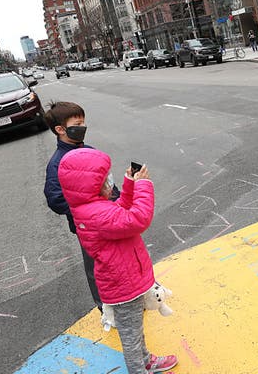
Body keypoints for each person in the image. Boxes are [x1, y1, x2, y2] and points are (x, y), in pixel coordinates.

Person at [58, 149, 178, 374]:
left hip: (123, 280)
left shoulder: (91, 208)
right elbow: (137, 219)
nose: (109, 182)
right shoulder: (96, 214)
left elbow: (119, 211)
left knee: (134, 330)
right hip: (124, 284)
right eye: (105, 179)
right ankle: (139, 368)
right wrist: (143, 186)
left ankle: (146, 361)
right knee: (131, 336)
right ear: (91, 186)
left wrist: (130, 184)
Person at [44, 102, 118, 314]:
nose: (83, 126)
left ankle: (128, 298)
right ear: (60, 129)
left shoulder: (89, 151)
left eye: (83, 122)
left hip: (111, 218)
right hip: (87, 226)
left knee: (119, 260)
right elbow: (55, 199)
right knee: (97, 267)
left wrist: (119, 202)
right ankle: (106, 308)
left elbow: (108, 181)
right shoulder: (57, 163)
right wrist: (88, 208)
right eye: (77, 123)